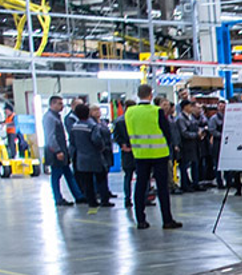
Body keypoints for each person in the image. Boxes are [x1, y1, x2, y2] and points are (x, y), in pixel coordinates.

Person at [126, 84, 181, 230]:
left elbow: (129, 131)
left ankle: (141, 220)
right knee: (162, 188)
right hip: (159, 154)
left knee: (140, 186)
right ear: (151, 95)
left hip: (140, 154)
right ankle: (167, 220)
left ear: (138, 95)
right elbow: (166, 132)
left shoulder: (130, 112)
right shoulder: (157, 111)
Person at [68, 102, 114, 208]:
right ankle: (104, 200)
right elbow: (96, 140)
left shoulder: (74, 127)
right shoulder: (92, 126)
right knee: (101, 179)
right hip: (95, 157)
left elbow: (72, 142)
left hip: (81, 158)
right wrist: (102, 148)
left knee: (87, 182)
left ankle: (91, 202)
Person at [41, 95, 82, 205]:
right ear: (52, 104)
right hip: (55, 152)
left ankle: (79, 196)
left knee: (68, 174)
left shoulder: (56, 116)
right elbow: (50, 137)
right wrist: (57, 151)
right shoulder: (49, 118)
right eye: (59, 104)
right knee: (56, 176)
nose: (62, 106)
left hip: (62, 151)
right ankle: (58, 198)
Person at [176, 99, 206, 192]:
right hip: (186, 146)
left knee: (195, 164)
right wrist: (196, 135)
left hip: (194, 145)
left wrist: (200, 132)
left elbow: (196, 126)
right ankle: (185, 185)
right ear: (185, 107)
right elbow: (184, 133)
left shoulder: (191, 117)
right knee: (184, 165)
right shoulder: (181, 118)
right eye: (190, 106)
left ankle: (195, 183)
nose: (192, 108)